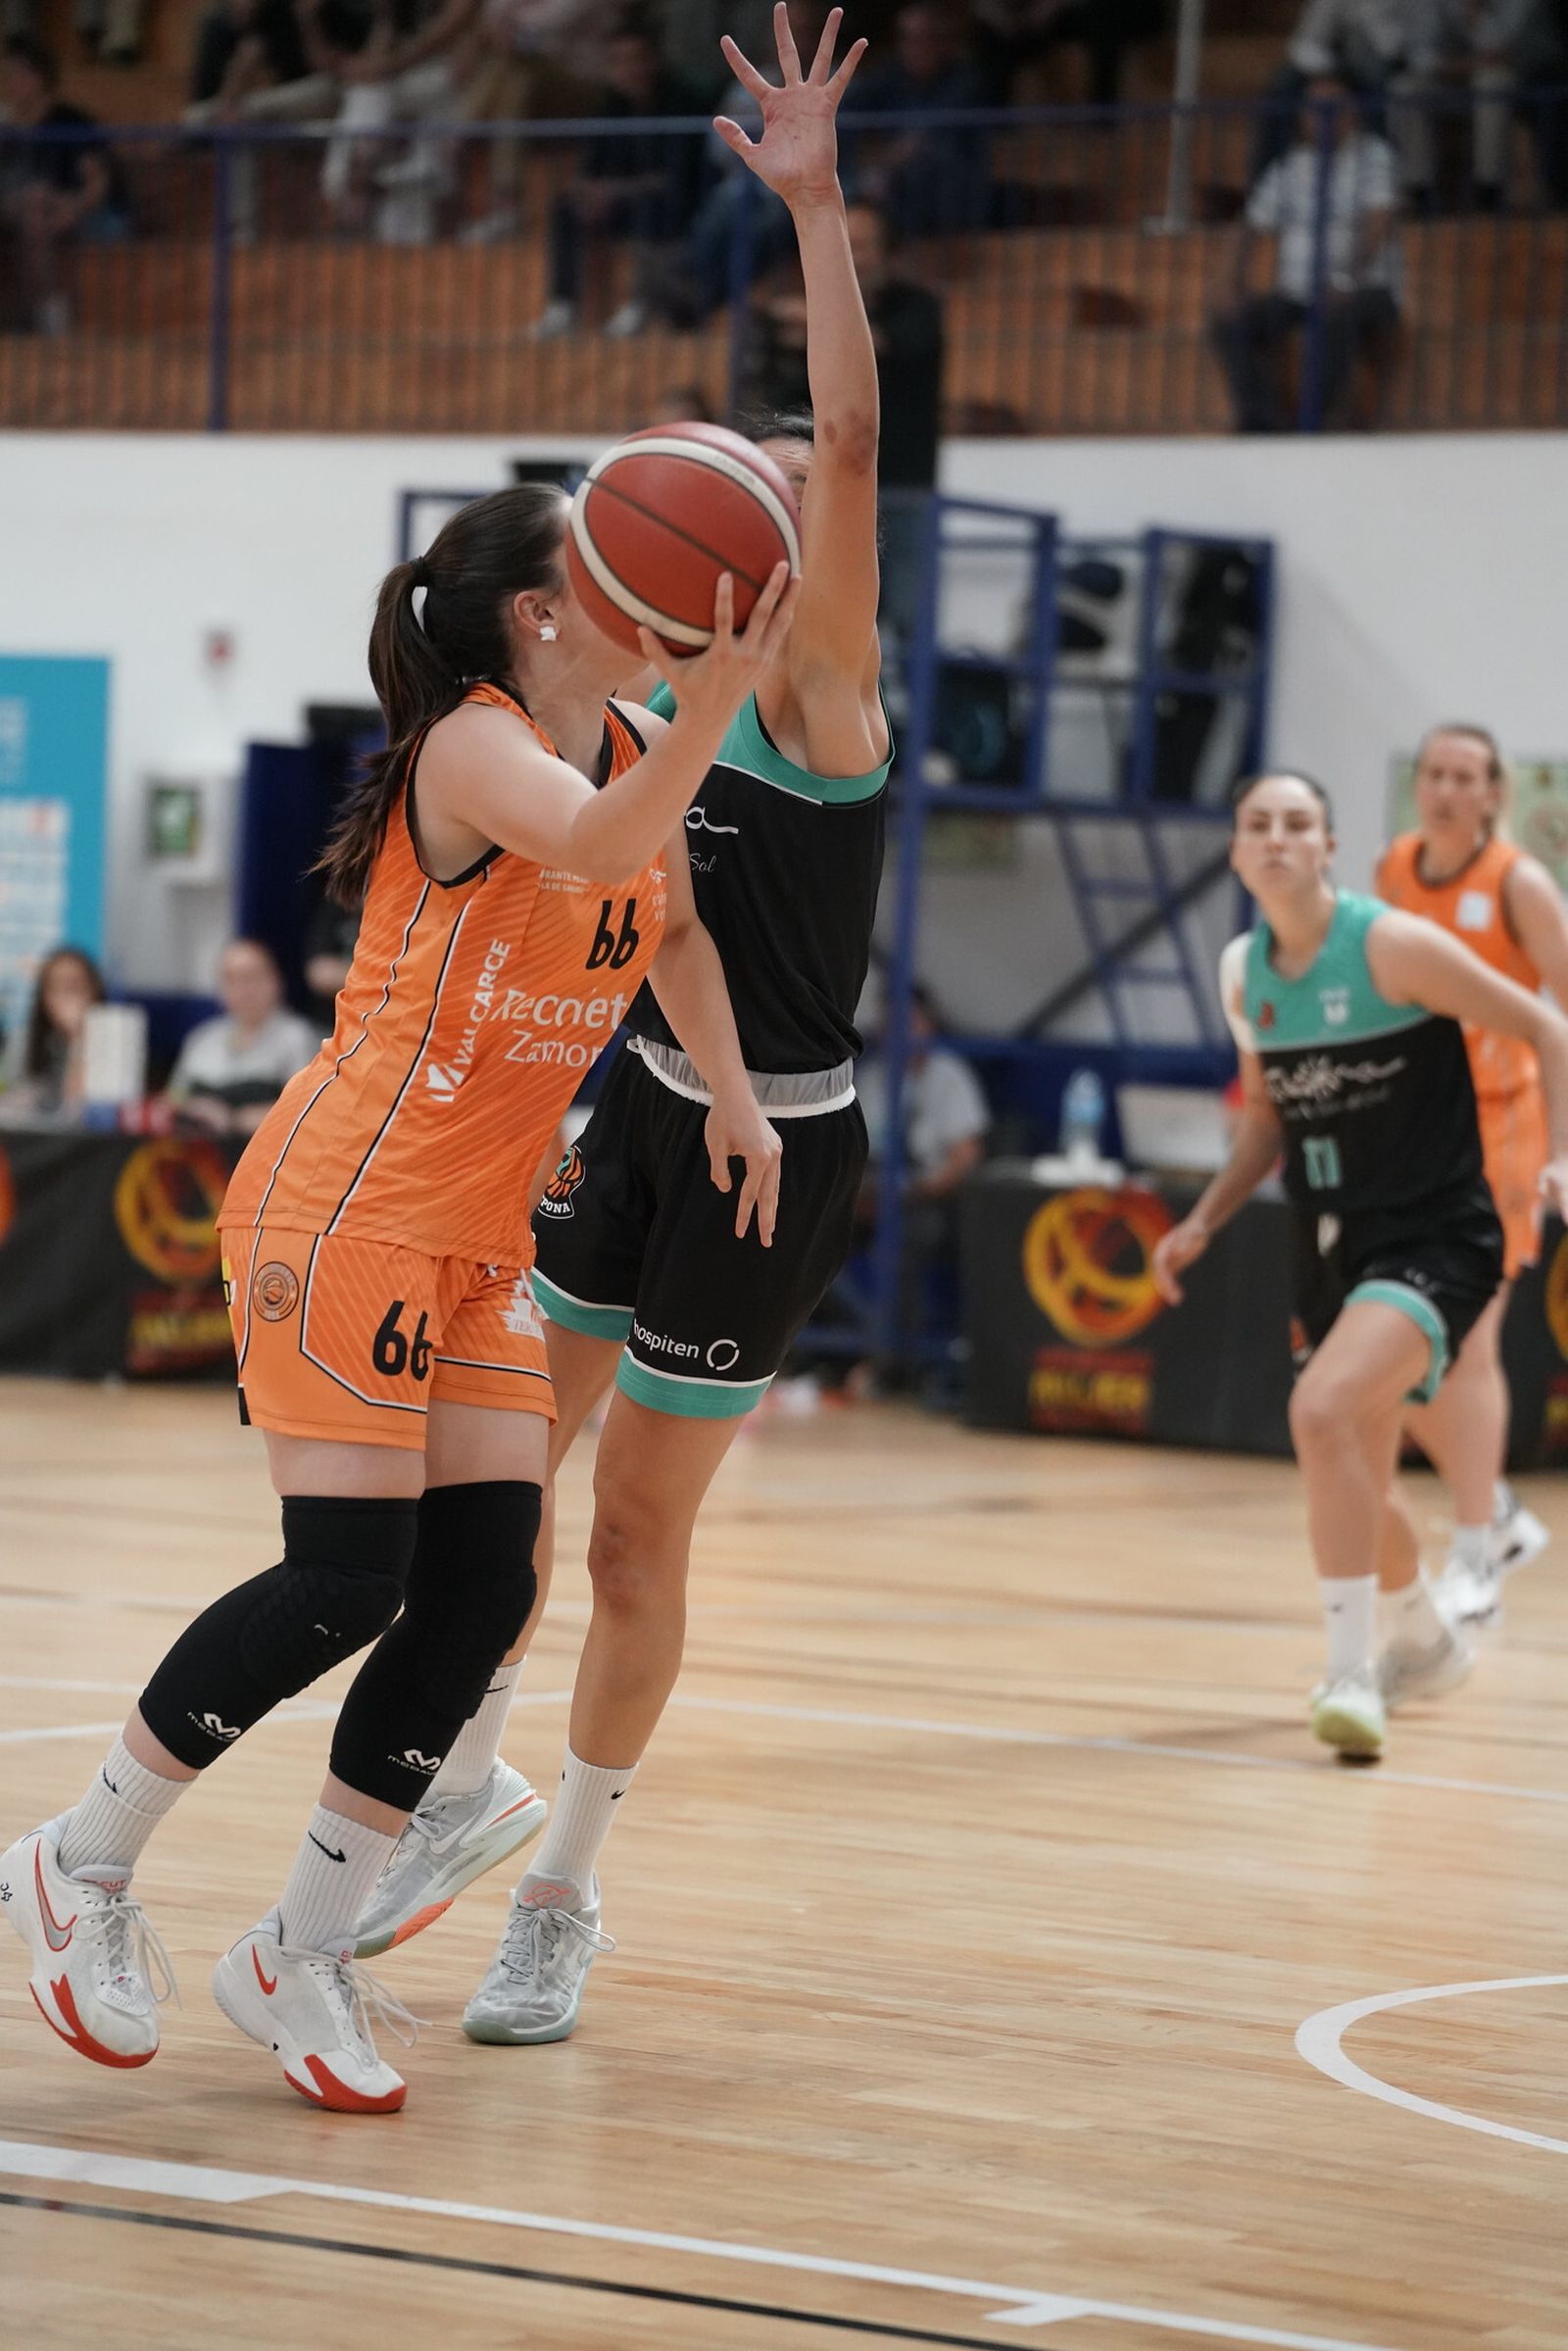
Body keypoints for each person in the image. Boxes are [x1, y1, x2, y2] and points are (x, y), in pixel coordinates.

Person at [0, 484, 795, 2109]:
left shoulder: (632, 732)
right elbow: (600, 846)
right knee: (346, 1576)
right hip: (346, 1205)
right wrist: (714, 702)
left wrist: (733, 1091)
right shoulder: (476, 744)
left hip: (480, 1236)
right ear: (539, 612)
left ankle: (303, 1943)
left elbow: (675, 918)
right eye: (594, 561)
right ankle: (77, 1860)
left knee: (486, 1578)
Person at [344, 6, 891, 2044]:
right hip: (636, 1109)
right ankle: (456, 1781)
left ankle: (559, 1880)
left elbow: (839, 446)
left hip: (779, 1147)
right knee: (491, 1485)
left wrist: (815, 211)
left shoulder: (820, 694)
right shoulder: (628, 704)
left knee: (644, 1534)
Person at [1152, 770, 1568, 1761]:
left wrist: (1559, 1154)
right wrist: (1203, 1219)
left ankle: (1349, 1672)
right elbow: (1268, 1114)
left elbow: (1546, 1024)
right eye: (1258, 824)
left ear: (1330, 844)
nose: (1278, 838)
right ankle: (1421, 1634)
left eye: (1298, 822)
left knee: (1320, 1413)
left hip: (1433, 1233)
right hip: (1326, 1239)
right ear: (1237, 852)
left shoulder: (1390, 945)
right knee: (1354, 1471)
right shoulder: (1241, 970)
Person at [1376, 721, 1568, 1620]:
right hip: (1418, 1129)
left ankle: (1478, 1558)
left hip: (1504, 1132)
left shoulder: (1520, 885)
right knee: (1395, 1347)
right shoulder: (1394, 870)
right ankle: (1493, 1509)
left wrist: (1563, 1150)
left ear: (1496, 794)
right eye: (1434, 773)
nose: (1447, 789)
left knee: (1471, 1340)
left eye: (1466, 776)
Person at [750, 197, 942, 656]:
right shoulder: (794, 318)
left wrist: (809, 321)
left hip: (900, 485)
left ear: (886, 252)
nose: (855, 255)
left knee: (910, 616)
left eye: (864, 245)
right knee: (824, 611)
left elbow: (873, 346)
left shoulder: (917, 307)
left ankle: (908, 720)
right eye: (845, 244)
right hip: (826, 490)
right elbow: (777, 397)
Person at [1211, 74, 1402, 433]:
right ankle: (1262, 420)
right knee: (1229, 321)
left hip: (1365, 290)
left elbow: (1380, 220)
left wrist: (1345, 278)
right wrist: (1229, 281)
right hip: (1297, 294)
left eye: (1335, 109)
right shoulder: (1291, 166)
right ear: (1302, 117)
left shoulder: (1374, 156)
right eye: (1316, 110)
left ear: (1353, 114)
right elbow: (1249, 226)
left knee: (1337, 317)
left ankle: (1319, 422)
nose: (1325, 117)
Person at [529, 17, 710, 340]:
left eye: (635, 59)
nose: (628, 69)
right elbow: (586, 172)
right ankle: (563, 305)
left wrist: (613, 191)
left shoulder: (681, 102)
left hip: (675, 207)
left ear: (653, 61)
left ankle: (640, 304)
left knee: (649, 206)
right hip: (618, 205)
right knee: (566, 208)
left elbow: (673, 179)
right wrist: (588, 195)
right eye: (618, 61)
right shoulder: (608, 106)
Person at [0, 36, 129, 335]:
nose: (8, 84)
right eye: (6, 76)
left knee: (35, 211)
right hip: (28, 207)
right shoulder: (8, 130)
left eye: (16, 75)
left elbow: (97, 185)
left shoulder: (71, 123)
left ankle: (50, 320)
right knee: (32, 205)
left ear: (39, 77)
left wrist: (72, 208)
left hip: (90, 213)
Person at [853, 3, 992, 239]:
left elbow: (931, 135)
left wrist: (894, 158)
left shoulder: (964, 82)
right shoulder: (888, 76)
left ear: (942, 43)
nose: (916, 48)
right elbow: (848, 112)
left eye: (925, 39)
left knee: (925, 171)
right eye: (908, 39)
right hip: (895, 191)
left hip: (952, 194)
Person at [167, 937, 319, 1137]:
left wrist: (233, 1119)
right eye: (231, 979)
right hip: (202, 1157)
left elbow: (306, 1111)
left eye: (250, 977)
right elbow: (172, 1100)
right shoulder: (201, 1039)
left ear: (276, 981)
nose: (242, 989)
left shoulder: (297, 1038)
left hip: (264, 1154)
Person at [0, 944, 104, 1123]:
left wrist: (78, 1038)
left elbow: (79, 1112)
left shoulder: (113, 1040)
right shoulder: (23, 1040)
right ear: (43, 997)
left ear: (94, 990)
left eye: (74, 987)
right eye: (55, 987)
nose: (66, 997)